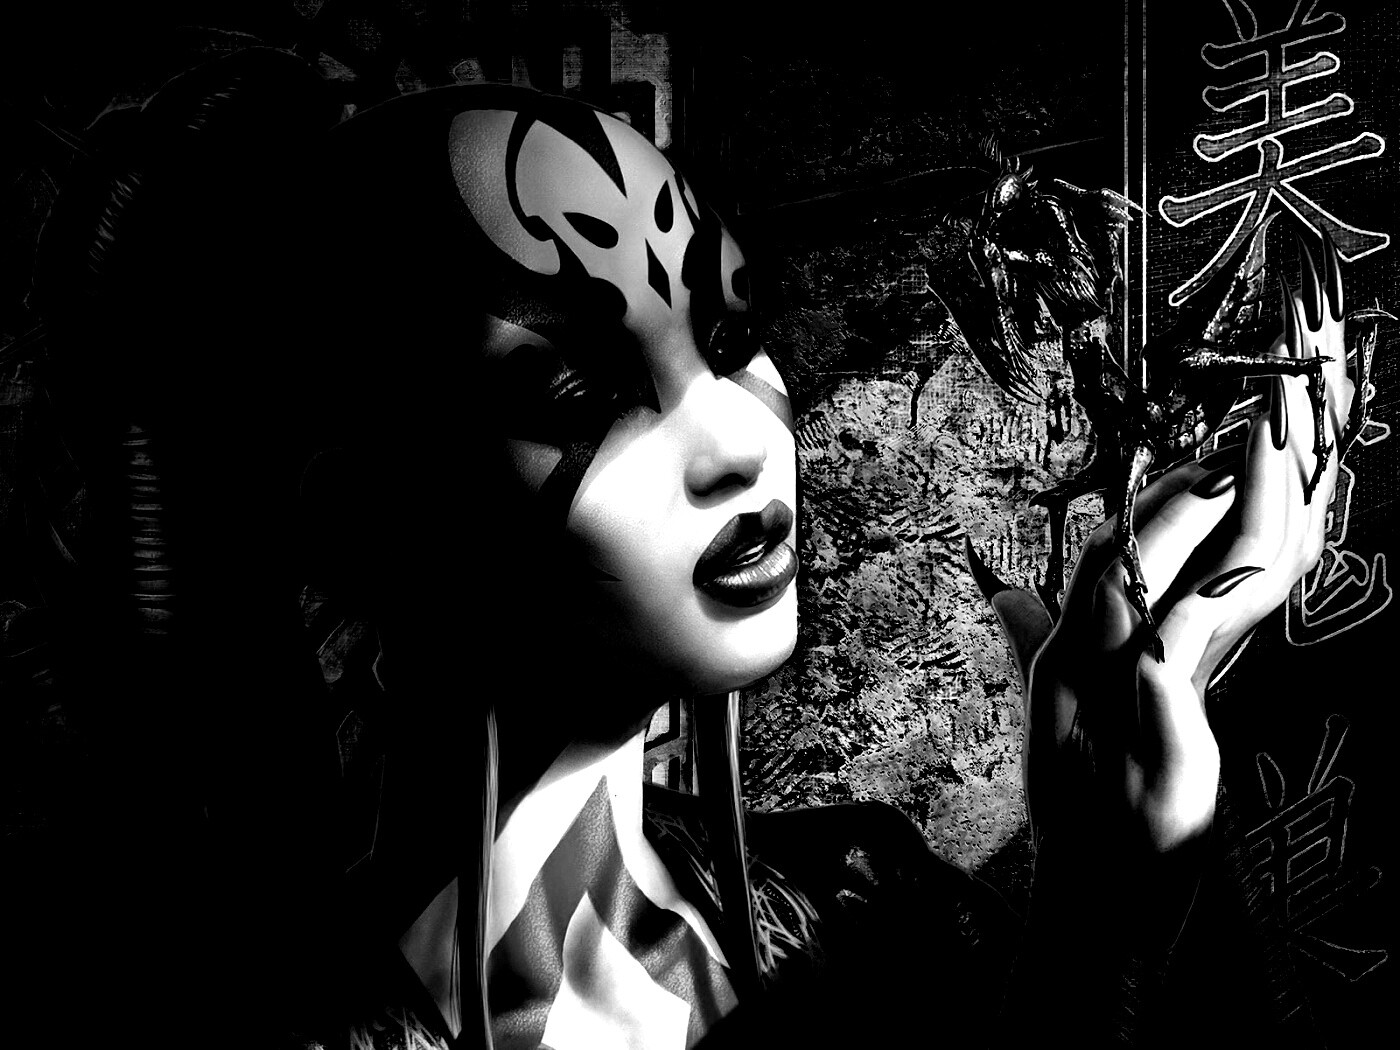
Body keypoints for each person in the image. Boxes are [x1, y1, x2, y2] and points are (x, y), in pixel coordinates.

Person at [25, 48, 1356, 1049]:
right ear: (367, 520)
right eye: (580, 390)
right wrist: (1101, 926)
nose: (736, 435)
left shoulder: (865, 910)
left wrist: (1130, 866)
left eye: (727, 335)